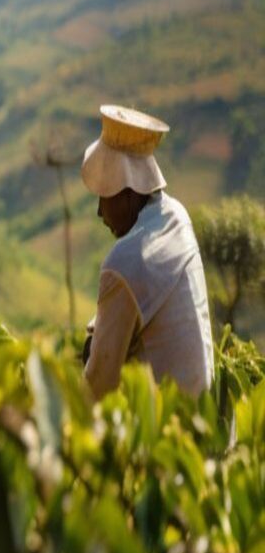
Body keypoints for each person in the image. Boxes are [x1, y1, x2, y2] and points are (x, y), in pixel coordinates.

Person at [80, 104, 214, 398]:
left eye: (105, 196)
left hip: (164, 431)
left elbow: (99, 384)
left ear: (128, 193)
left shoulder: (125, 261)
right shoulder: (177, 216)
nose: (100, 212)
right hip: (204, 419)